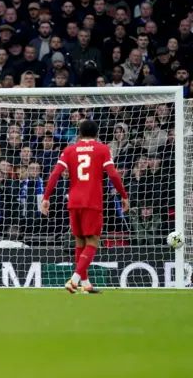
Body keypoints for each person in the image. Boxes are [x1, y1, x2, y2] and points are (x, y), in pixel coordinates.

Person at [41, 120, 129, 294]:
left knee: (80, 242)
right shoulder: (103, 149)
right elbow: (112, 174)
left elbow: (56, 173)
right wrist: (124, 195)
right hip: (92, 201)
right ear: (96, 134)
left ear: (79, 134)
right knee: (93, 241)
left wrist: (46, 197)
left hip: (74, 201)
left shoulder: (69, 150)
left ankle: (86, 284)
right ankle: (74, 281)